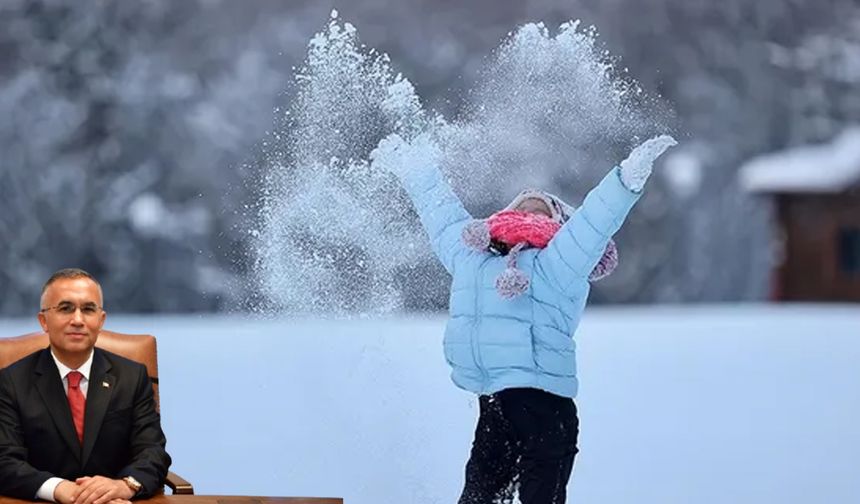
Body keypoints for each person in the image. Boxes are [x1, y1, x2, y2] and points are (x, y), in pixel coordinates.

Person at [370, 133, 677, 504]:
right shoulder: (473, 258)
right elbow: (442, 215)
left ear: (560, 225)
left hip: (546, 406)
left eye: (541, 211)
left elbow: (593, 223)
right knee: (477, 497)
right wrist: (416, 169)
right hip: (494, 404)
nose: (530, 215)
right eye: (522, 208)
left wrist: (626, 179)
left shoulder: (559, 261)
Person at [0, 268, 171, 503]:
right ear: (44, 321)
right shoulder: (11, 381)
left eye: (88, 309)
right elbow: (5, 460)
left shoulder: (132, 377)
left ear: (101, 320)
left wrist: (124, 485)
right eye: (65, 308)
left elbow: (153, 452)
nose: (78, 320)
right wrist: (59, 488)